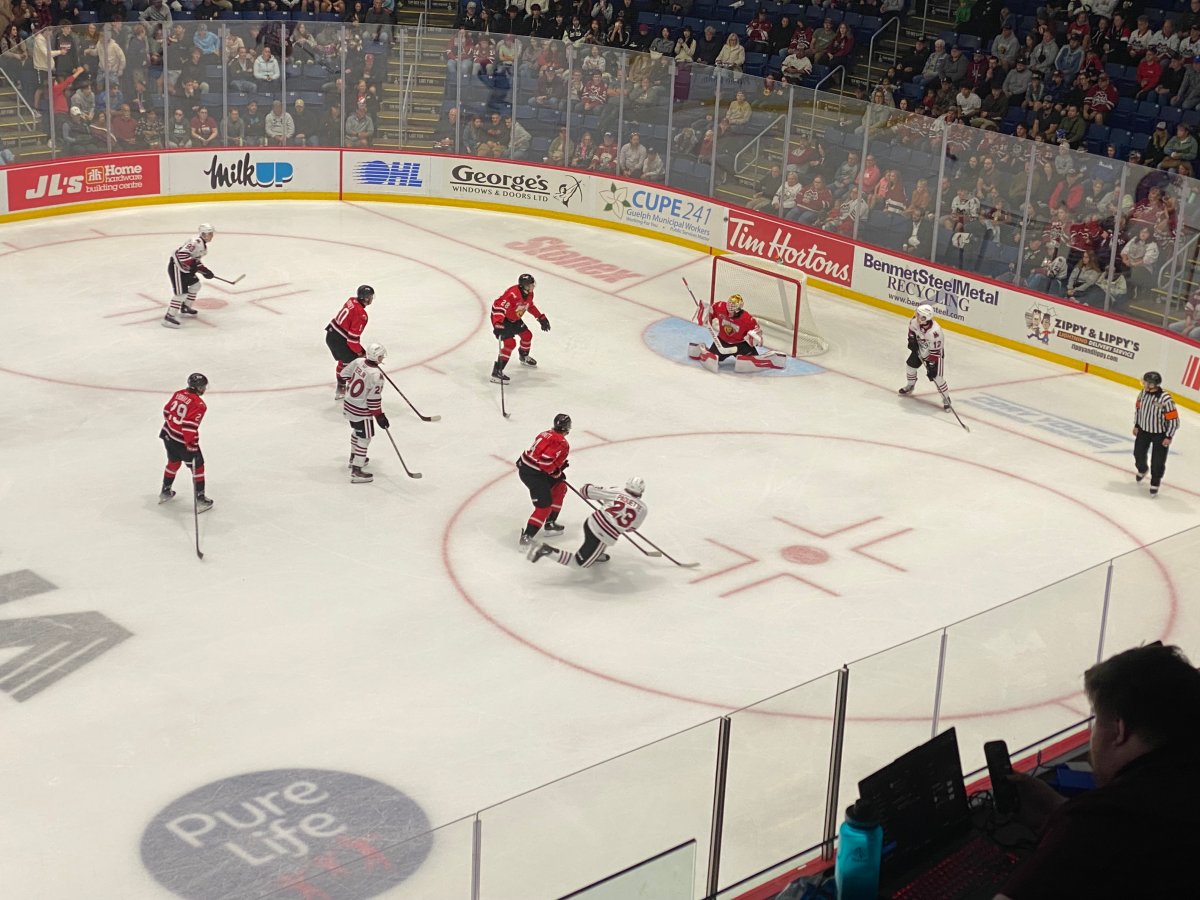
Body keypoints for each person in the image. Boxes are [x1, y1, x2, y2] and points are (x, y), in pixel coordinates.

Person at [996, 643, 1200, 899]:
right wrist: (1057, 810)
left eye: (1096, 721)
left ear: (1119, 731)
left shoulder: (1096, 826)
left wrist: (1070, 823)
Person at [528, 477, 648, 568]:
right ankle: (547, 550)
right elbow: (630, 529)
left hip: (592, 522)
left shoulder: (617, 491)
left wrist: (588, 488)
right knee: (579, 563)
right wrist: (619, 525)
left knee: (599, 539)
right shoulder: (643, 508)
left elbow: (585, 491)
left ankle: (595, 553)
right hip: (604, 534)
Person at [158, 372, 213, 512]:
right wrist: (192, 446)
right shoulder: (199, 404)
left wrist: (173, 426)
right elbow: (189, 428)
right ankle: (200, 500)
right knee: (198, 467)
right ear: (198, 387)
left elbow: (166, 411)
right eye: (203, 387)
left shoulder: (179, 393)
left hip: (168, 436)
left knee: (173, 463)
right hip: (183, 442)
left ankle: (165, 491)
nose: (204, 389)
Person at [689, 293, 782, 373]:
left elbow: (758, 336)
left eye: (733, 306)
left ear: (739, 307)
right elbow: (710, 311)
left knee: (751, 361)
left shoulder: (747, 319)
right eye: (729, 305)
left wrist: (754, 338)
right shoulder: (720, 306)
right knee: (713, 358)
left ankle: (770, 359)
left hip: (740, 345)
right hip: (721, 342)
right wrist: (705, 315)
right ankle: (702, 349)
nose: (730, 308)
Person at [516, 413, 572, 546]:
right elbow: (545, 463)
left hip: (532, 470)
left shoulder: (545, 433)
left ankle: (550, 523)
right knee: (544, 507)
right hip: (534, 475)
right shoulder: (561, 442)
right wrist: (557, 471)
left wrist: (557, 471)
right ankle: (526, 537)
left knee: (560, 486)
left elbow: (542, 459)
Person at [341, 343, 389, 483]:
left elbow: (344, 375)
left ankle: (353, 457)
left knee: (357, 431)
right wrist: (380, 416)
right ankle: (357, 469)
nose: (382, 358)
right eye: (380, 356)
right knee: (365, 437)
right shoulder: (377, 376)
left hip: (349, 404)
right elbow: (373, 399)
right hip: (361, 410)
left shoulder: (358, 361)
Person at [490, 273, 550, 384]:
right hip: (503, 320)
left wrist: (540, 317)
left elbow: (529, 306)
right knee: (510, 344)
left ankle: (524, 356)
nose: (533, 287)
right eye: (531, 285)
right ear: (524, 286)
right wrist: (498, 324)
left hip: (514, 318)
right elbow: (499, 307)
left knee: (527, 335)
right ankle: (497, 371)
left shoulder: (529, 294)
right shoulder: (512, 294)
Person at [1132, 371, 1179, 497]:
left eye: (1146, 382)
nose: (1144, 384)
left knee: (1158, 461)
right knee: (1138, 453)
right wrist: (1137, 425)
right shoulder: (1142, 393)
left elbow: (1173, 420)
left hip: (1160, 434)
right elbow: (1138, 410)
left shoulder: (1166, 399)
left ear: (1152, 385)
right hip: (1143, 430)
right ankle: (1142, 469)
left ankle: (1155, 481)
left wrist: (1169, 436)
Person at [897, 304, 952, 410]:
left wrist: (931, 365)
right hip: (920, 349)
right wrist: (911, 339)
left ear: (925, 318)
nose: (916, 316)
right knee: (910, 367)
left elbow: (936, 352)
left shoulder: (935, 333)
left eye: (919, 315)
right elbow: (911, 330)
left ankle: (946, 398)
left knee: (937, 378)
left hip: (934, 355)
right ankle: (910, 386)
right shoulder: (914, 321)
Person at [326, 285, 375, 400]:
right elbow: (352, 341)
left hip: (331, 334)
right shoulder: (361, 315)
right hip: (340, 341)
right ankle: (354, 392)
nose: (372, 298)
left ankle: (341, 389)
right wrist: (361, 352)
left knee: (344, 362)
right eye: (371, 296)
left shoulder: (351, 300)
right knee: (354, 365)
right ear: (367, 298)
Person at [162, 224, 216, 329]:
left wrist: (205, 271)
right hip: (177, 268)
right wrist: (193, 265)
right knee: (181, 294)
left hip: (184, 269)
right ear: (203, 234)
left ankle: (186, 307)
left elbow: (195, 261)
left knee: (196, 286)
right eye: (210, 234)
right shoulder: (195, 242)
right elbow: (181, 255)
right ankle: (169, 317)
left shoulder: (202, 246)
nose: (212, 236)